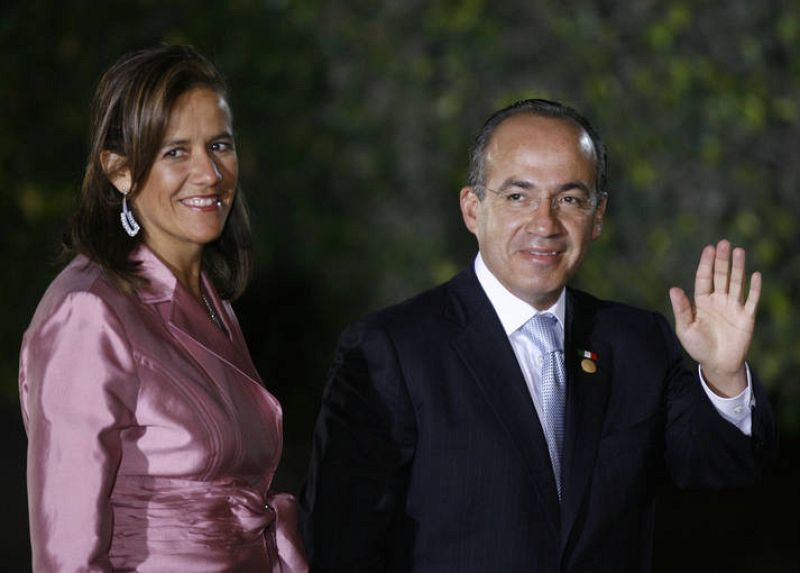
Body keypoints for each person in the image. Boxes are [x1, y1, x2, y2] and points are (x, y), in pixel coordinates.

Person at [299, 99, 776, 572]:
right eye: (517, 196)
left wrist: (722, 376)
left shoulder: (638, 342)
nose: (545, 224)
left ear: (599, 216)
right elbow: (342, 545)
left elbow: (719, 471)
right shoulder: (392, 350)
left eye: (569, 199)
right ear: (472, 208)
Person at [19, 45, 307, 572]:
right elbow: (66, 558)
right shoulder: (88, 311)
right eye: (176, 151)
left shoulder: (212, 301)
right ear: (120, 170)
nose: (209, 173)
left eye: (219, 145)